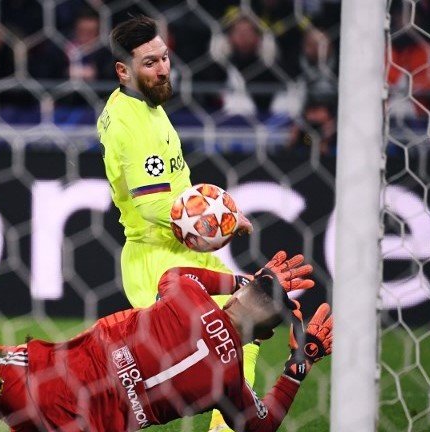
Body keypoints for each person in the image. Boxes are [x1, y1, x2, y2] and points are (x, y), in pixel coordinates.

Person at [0, 251, 332, 432]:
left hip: (47, 382)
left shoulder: (189, 297)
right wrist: (300, 361)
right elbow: (261, 426)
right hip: (88, 429)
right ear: (266, 335)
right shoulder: (229, 381)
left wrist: (236, 278)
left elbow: (174, 272)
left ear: (243, 294)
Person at [95, 15, 255, 431]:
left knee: (247, 326)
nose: (163, 68)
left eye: (164, 58)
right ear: (123, 70)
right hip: (158, 260)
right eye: (150, 63)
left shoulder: (147, 106)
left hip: (181, 252)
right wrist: (217, 220)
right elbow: (150, 205)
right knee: (182, 364)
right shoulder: (129, 122)